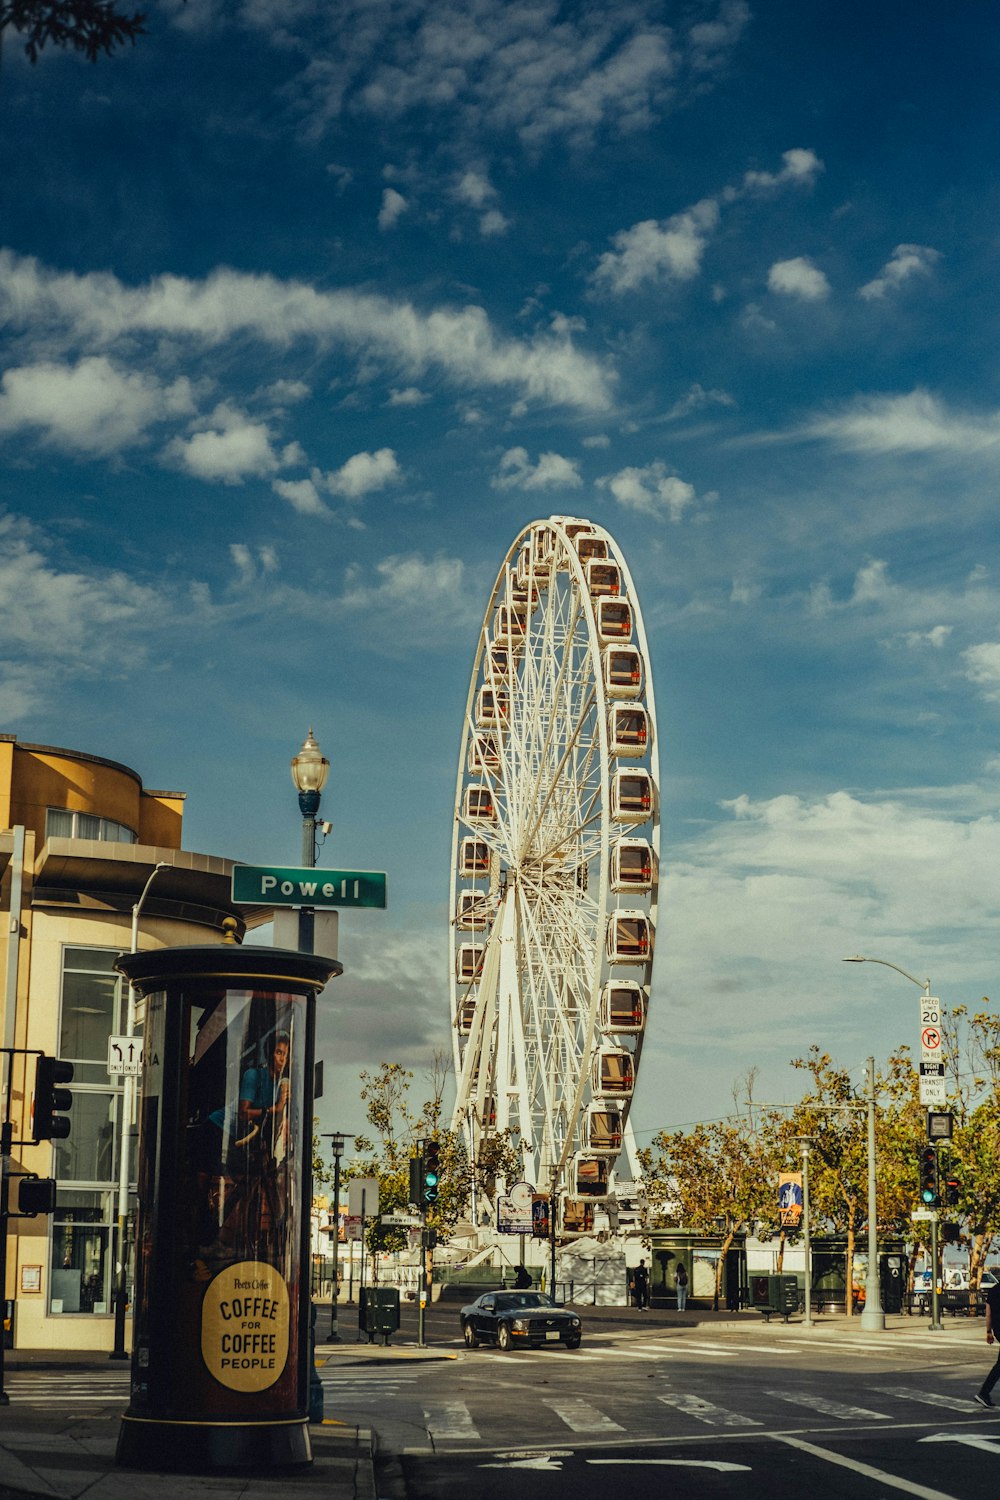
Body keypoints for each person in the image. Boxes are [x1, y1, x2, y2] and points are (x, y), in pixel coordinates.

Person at [975, 1272, 1000, 1407]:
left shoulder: (993, 1290)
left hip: (998, 1330)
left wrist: (988, 1332)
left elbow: (988, 1313)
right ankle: (984, 1393)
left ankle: (984, 1393)